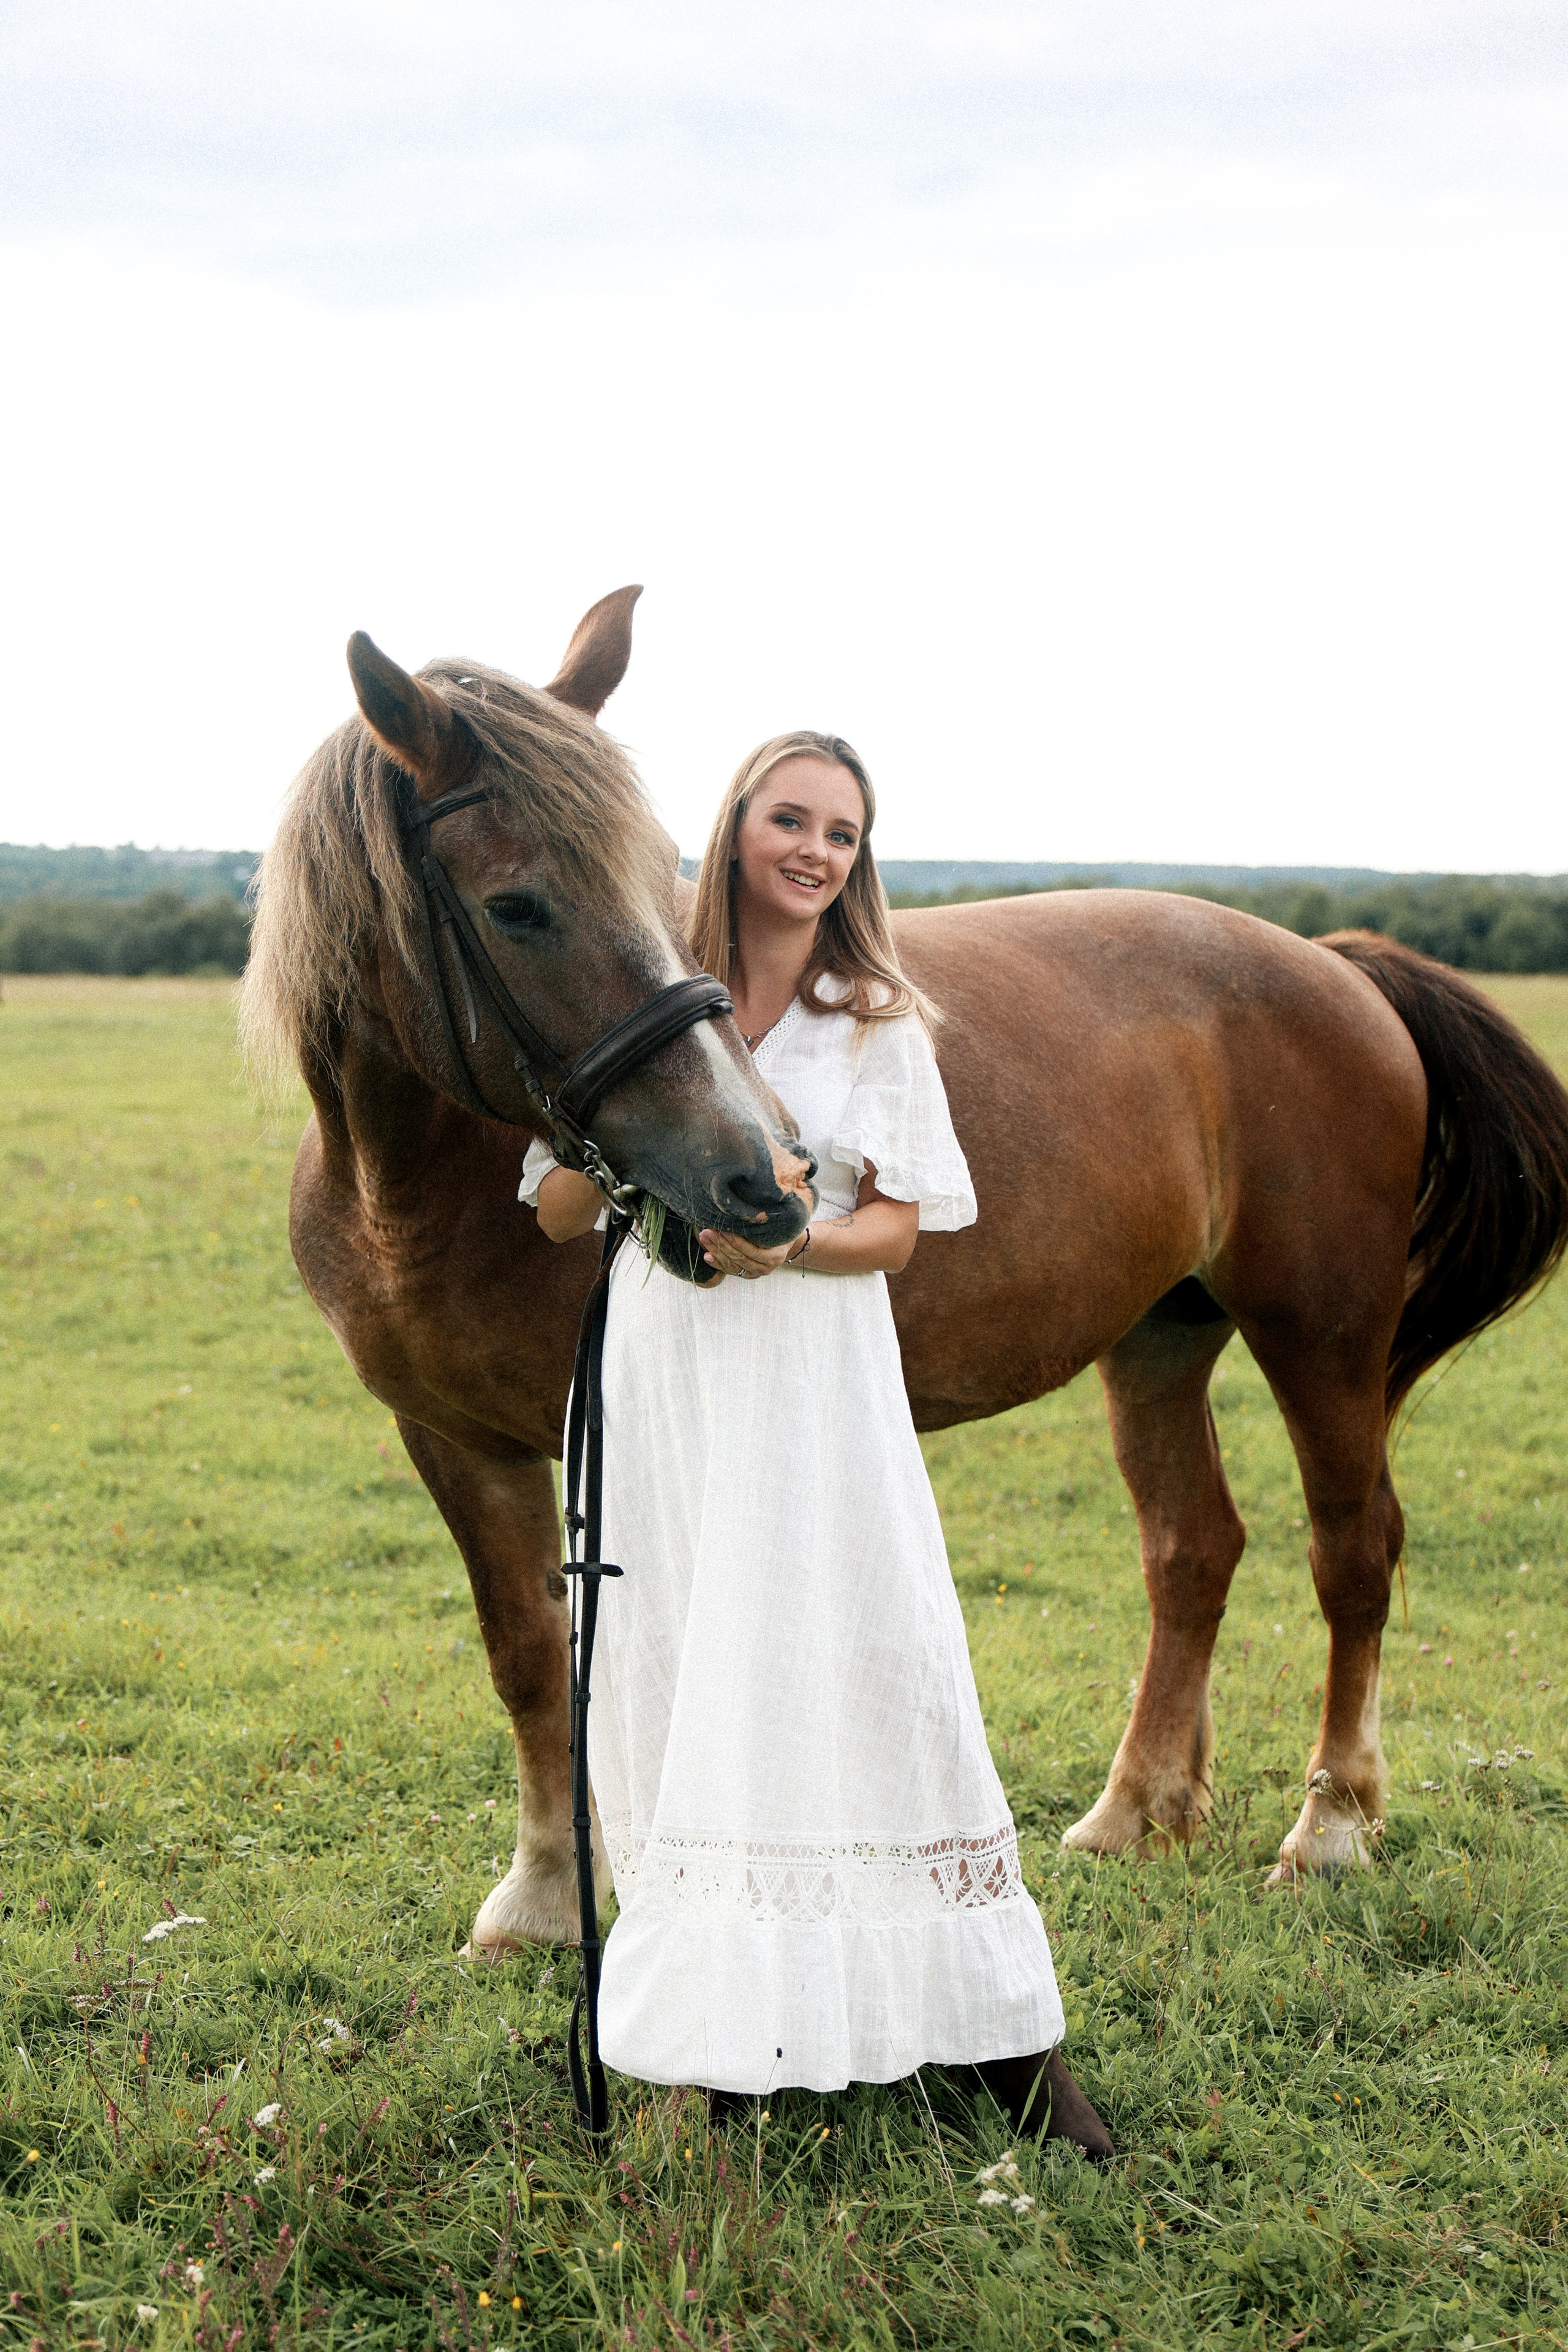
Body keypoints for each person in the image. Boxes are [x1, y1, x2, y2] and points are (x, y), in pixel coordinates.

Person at [522, 729, 1112, 2155]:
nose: (813, 851)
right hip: (663, 1369)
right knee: (672, 1657)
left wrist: (791, 1247)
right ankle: (710, 2035)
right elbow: (545, 1205)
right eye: (789, 819)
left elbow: (899, 1228)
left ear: (858, 862)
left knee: (863, 1647)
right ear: (733, 828)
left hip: (812, 1370)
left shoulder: (872, 1015)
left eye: (840, 834)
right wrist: (631, 1180)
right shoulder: (650, 994)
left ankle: (982, 2024)